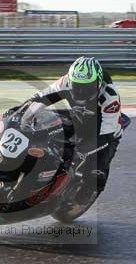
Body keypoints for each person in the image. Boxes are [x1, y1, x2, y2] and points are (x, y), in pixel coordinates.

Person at [11, 57, 127, 202]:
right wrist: (19, 110)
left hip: (103, 133)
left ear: (98, 83)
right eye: (76, 86)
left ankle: (87, 189)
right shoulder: (65, 81)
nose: (80, 91)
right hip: (79, 117)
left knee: (95, 176)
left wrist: (80, 151)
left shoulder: (109, 96)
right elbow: (41, 97)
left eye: (87, 87)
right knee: (42, 121)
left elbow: (105, 136)